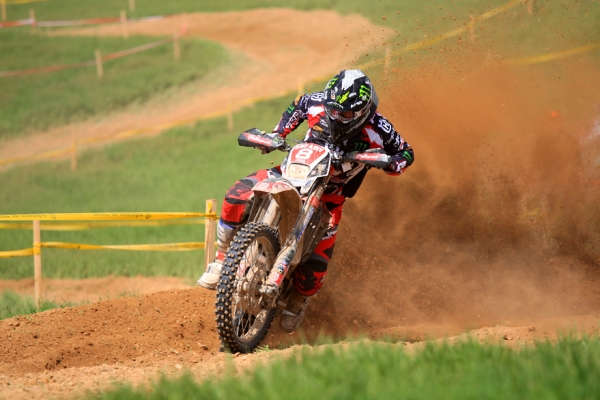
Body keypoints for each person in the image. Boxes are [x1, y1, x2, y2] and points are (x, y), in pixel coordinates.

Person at [197, 69, 414, 332]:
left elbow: (406, 152)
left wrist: (391, 163)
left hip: (330, 195)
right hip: (290, 173)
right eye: (332, 109)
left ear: (361, 112)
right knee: (236, 196)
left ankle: (299, 300)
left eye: (344, 114)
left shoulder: (379, 127)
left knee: (316, 266)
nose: (336, 116)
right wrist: (278, 133)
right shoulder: (316, 102)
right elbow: (298, 105)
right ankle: (222, 259)